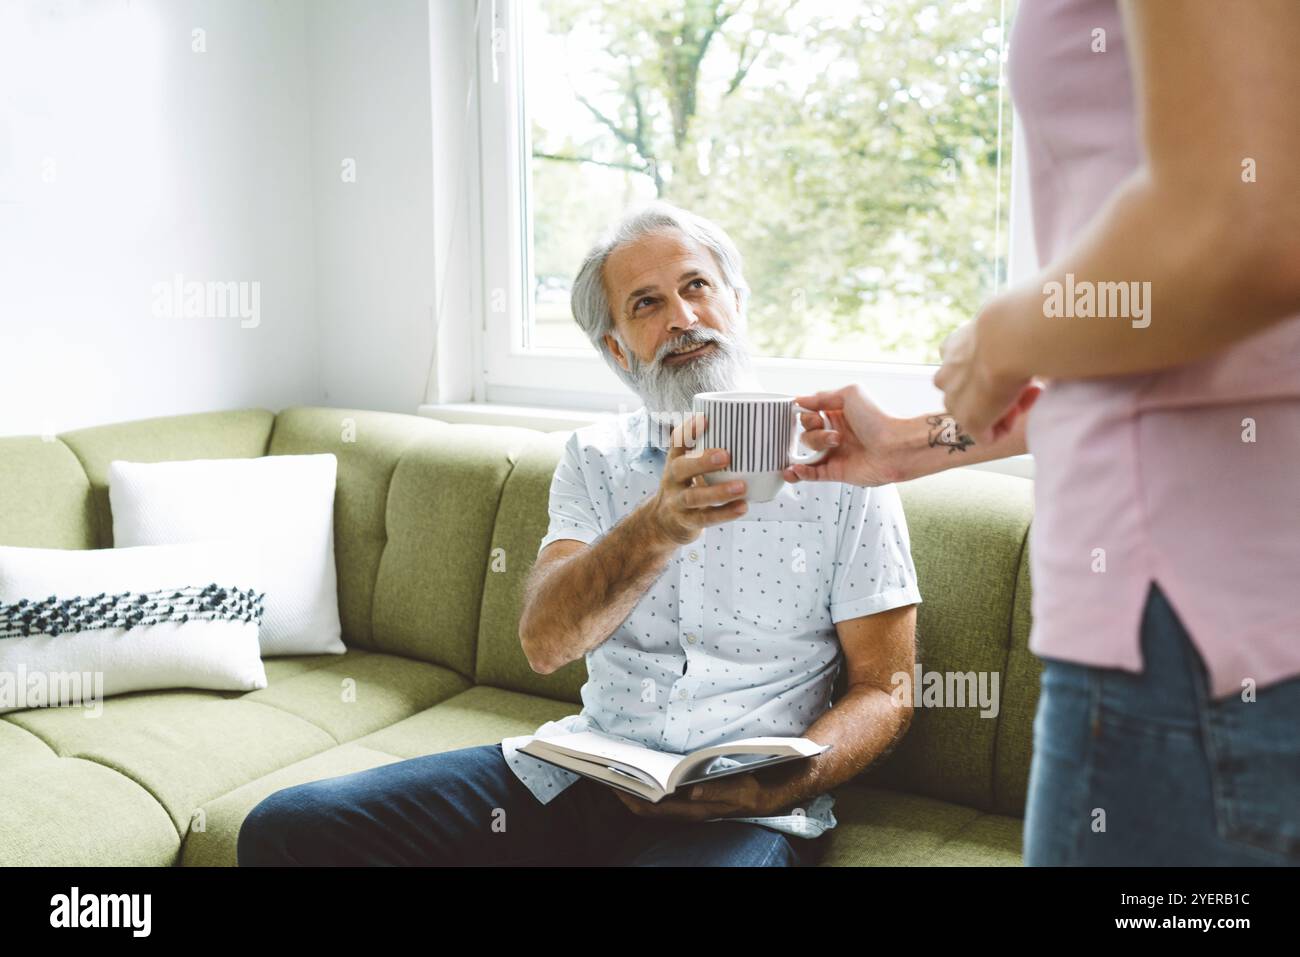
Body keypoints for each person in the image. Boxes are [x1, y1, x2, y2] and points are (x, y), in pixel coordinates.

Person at [238, 203, 922, 866]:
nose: (683, 319)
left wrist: (778, 786)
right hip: (586, 775)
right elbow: (546, 641)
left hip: (743, 811)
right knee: (291, 828)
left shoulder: (841, 467)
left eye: (696, 287)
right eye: (646, 304)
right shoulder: (594, 459)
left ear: (736, 302)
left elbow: (884, 689)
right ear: (617, 348)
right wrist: (657, 525)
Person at [785, 0, 1300, 865]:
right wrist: (914, 442)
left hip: (1188, 624)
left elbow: (1247, 223)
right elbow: (1164, 345)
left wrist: (1002, 335)